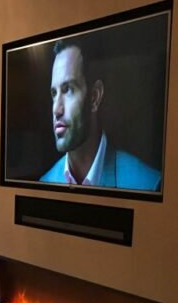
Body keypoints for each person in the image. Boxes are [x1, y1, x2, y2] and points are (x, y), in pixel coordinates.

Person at [40, 38, 161, 190]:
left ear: (94, 97)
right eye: (54, 93)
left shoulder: (149, 185)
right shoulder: (45, 183)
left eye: (68, 89)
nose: (56, 109)